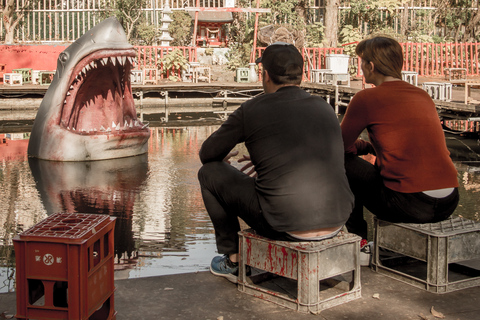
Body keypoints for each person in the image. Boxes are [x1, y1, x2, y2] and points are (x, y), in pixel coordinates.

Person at [198, 42, 354, 283]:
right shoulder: (324, 107)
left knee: (209, 173)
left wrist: (224, 158)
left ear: (266, 75)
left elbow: (207, 154)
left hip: (285, 225)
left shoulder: (252, 109)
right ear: (301, 76)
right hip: (337, 220)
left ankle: (233, 261)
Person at [341, 36, 459, 241]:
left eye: (361, 62)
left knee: (341, 163)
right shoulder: (422, 95)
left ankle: (357, 242)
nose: (360, 67)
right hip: (448, 202)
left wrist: (362, 147)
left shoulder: (366, 98)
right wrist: (370, 148)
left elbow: (339, 146)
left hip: (409, 203)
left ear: (371, 65)